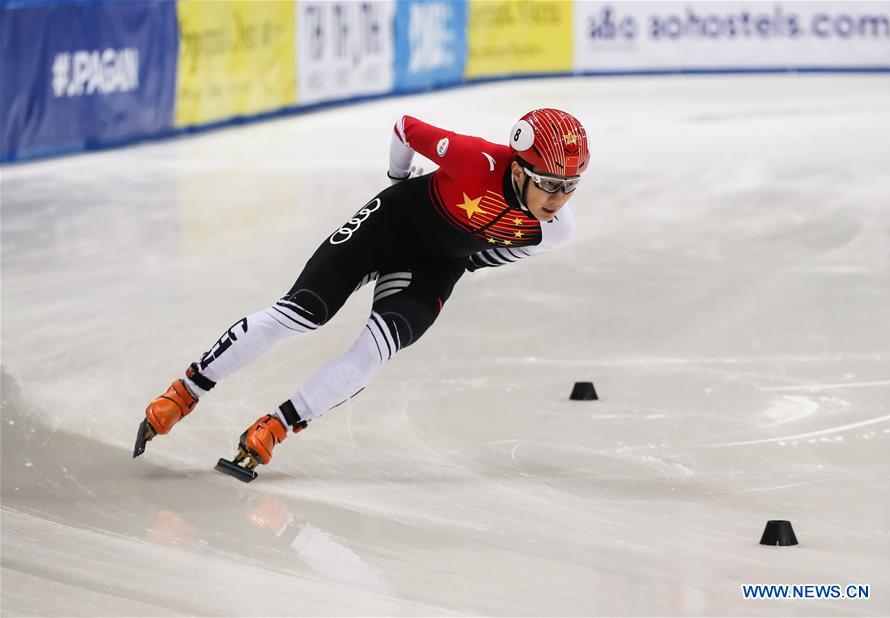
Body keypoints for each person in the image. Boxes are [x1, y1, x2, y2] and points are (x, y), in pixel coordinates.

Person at [133, 108, 591, 481]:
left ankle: (274, 428)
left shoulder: (555, 229)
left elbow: (498, 255)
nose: (557, 198)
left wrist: (459, 261)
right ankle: (183, 392)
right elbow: (405, 127)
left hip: (433, 267)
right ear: (520, 166)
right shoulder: (475, 159)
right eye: (549, 183)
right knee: (301, 314)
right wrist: (397, 179)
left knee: (374, 351)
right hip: (387, 226)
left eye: (570, 186)